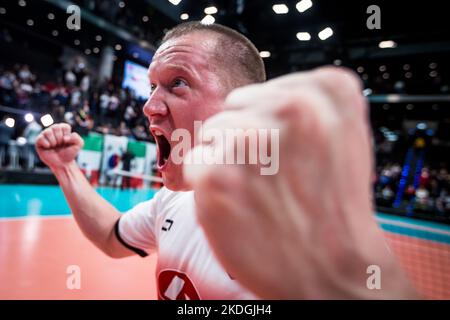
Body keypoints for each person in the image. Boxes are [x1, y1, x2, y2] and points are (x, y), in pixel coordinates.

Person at [36, 22, 416, 299]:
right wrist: (66, 168)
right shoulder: (173, 201)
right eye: (152, 86)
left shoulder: (310, 229)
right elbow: (110, 236)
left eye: (177, 83)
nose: (149, 107)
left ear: (242, 104)